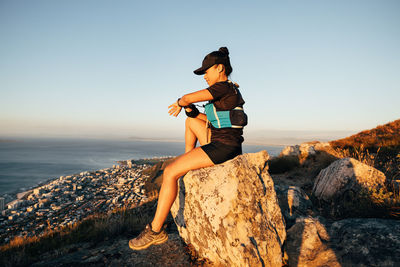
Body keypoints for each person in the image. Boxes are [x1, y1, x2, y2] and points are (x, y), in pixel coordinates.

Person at [129, 47, 247, 250]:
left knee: (169, 172)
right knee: (190, 123)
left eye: (206, 71)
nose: (204, 77)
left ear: (219, 68)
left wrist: (181, 102)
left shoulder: (222, 87)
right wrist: (189, 110)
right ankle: (188, 160)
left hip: (223, 147)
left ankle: (155, 231)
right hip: (223, 140)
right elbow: (202, 118)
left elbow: (187, 97)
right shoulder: (228, 89)